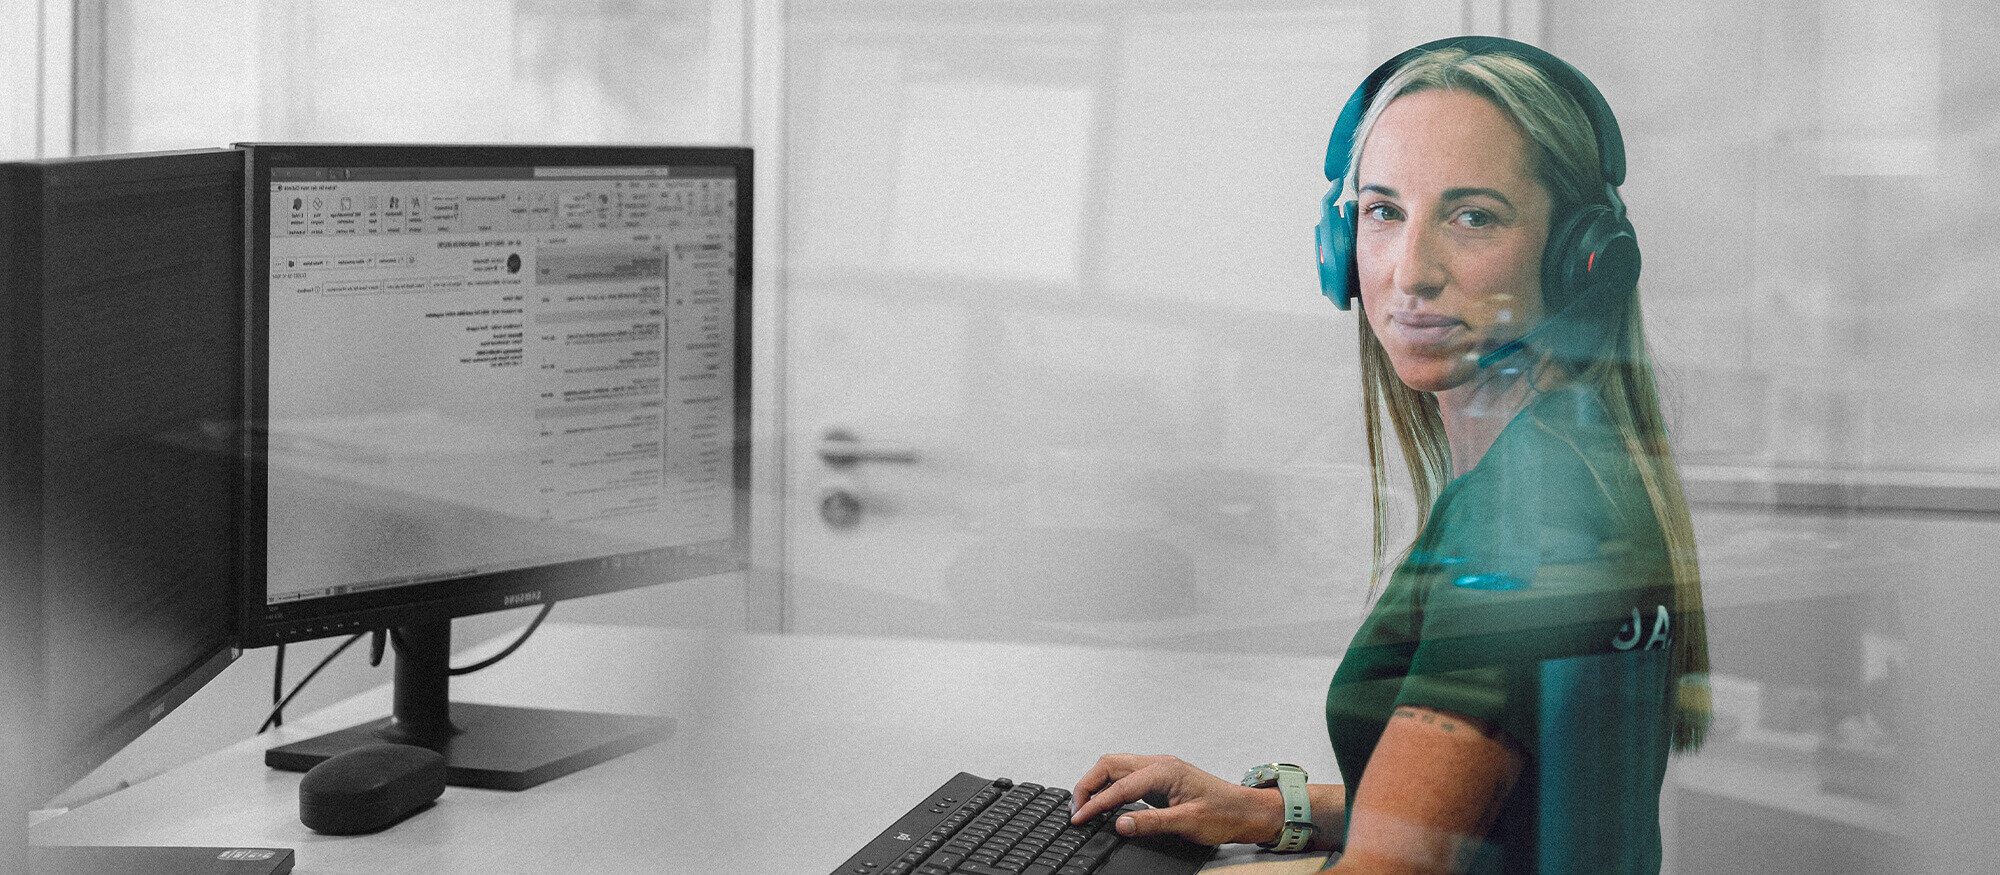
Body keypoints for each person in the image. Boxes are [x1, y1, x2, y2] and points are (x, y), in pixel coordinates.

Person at [1068, 37, 1709, 874]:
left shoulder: (1524, 519)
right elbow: (1499, 811)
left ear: (1579, 257)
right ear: (1343, 245)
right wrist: (1262, 811)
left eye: (1472, 215)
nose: (1410, 271)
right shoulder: (1569, 464)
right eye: (1383, 211)